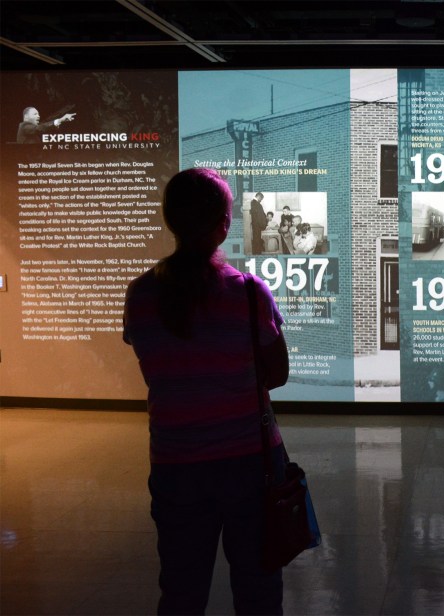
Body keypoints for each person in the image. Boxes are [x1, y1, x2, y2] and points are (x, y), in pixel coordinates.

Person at [122, 168, 289, 615]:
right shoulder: (251, 294)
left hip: (176, 463)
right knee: (258, 590)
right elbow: (277, 374)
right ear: (223, 224)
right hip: (250, 463)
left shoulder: (139, 295)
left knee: (180, 591)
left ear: (170, 219)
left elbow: (158, 370)